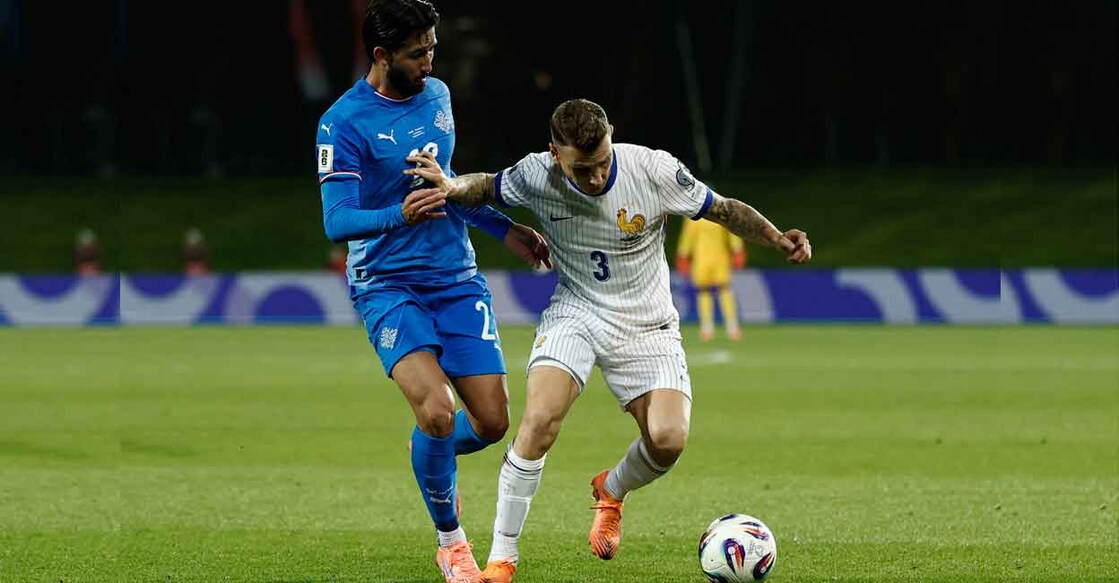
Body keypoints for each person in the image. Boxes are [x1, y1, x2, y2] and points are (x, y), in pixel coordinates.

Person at [405, 98, 812, 582]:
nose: (596, 177)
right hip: (576, 311)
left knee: (667, 441)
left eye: (601, 163)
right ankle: (502, 557)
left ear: (611, 136)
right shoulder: (537, 174)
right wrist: (451, 186)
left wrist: (778, 238)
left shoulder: (653, 169)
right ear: (555, 154)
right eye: (583, 169)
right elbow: (486, 186)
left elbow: (722, 209)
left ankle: (611, 490)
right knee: (539, 420)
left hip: (649, 323)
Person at [313, 2, 552, 581]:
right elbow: (337, 220)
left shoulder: (438, 97)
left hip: (454, 278)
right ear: (381, 55)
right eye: (417, 53)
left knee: (493, 422)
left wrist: (505, 228)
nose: (429, 61)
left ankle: (432, 456)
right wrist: (398, 214)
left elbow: (444, 184)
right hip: (387, 285)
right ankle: (452, 544)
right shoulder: (341, 123)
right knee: (438, 411)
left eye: (432, 49)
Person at [675, 217, 747, 341]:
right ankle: (708, 327)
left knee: (723, 289)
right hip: (705, 258)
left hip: (715, 257)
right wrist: (683, 255)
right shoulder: (702, 214)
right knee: (705, 291)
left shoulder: (708, 213)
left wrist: (737, 249)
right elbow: (688, 236)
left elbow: (731, 231)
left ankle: (731, 326)